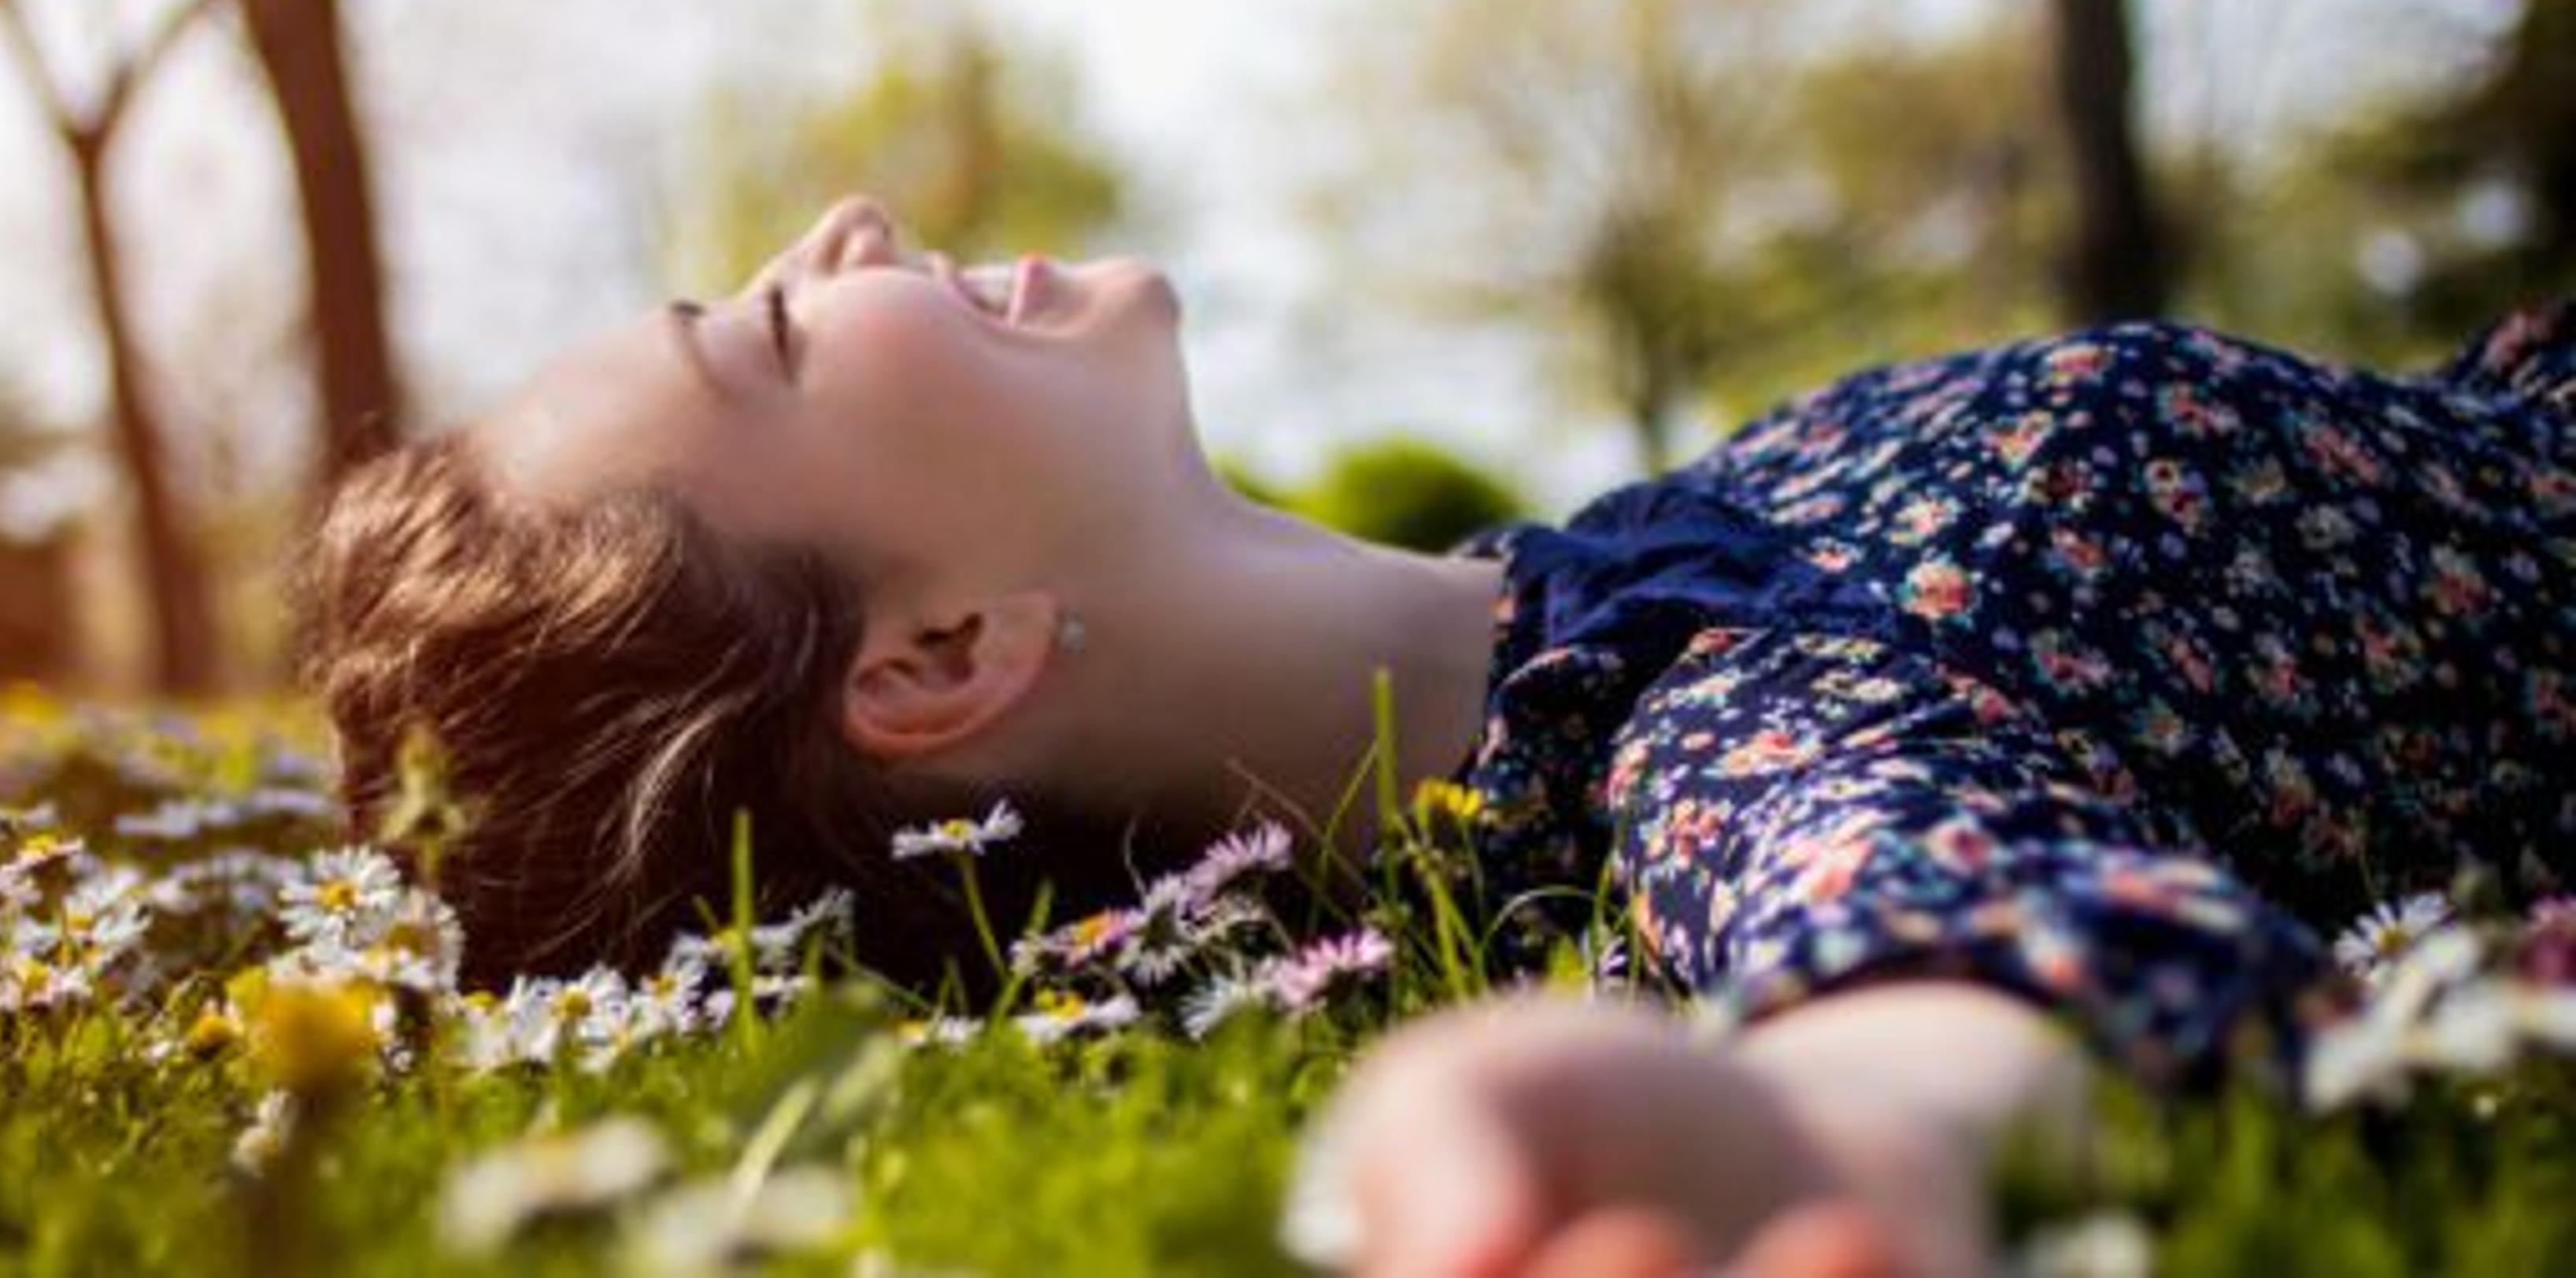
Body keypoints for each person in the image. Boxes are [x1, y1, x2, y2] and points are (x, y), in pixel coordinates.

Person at [291, 197, 2576, 1277]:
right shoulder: (1707, 734)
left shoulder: (1610, 573)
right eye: (777, 331)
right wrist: (1830, 1152)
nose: (853, 225)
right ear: (933, 661)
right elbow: (1939, 941)